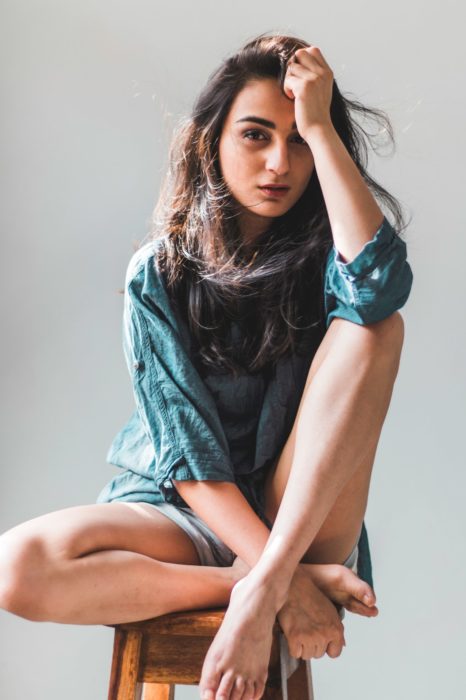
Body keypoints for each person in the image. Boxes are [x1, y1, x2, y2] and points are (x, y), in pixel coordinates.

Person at [0, 32, 413, 700]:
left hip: (299, 514)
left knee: (376, 330)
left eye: (299, 141)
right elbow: (190, 464)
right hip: (185, 513)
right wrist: (270, 582)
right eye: (256, 135)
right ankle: (274, 587)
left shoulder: (324, 263)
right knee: (14, 567)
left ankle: (270, 580)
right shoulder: (158, 274)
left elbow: (380, 287)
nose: (280, 161)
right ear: (212, 142)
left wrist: (322, 122)